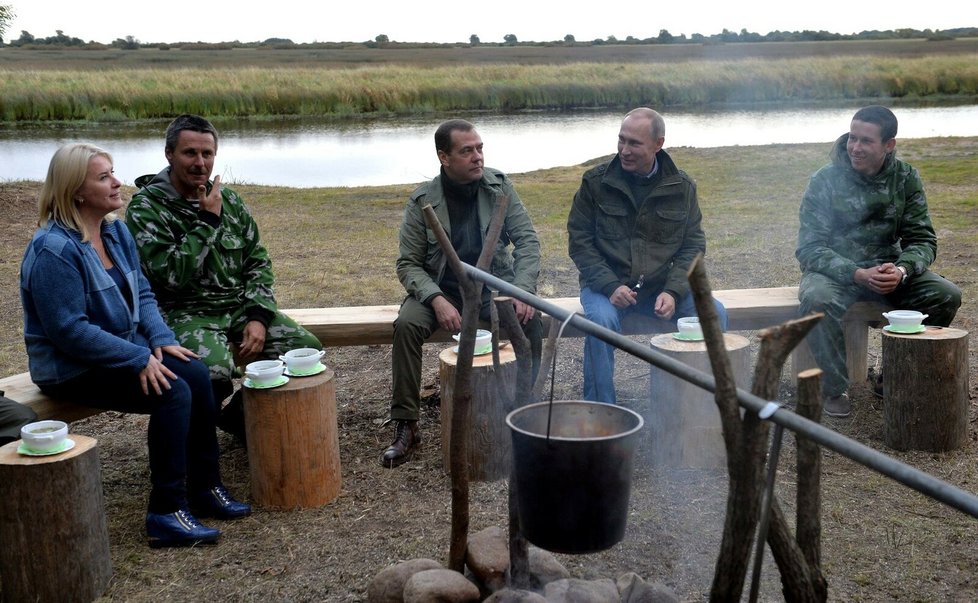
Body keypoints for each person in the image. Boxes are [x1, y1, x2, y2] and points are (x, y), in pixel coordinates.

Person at [20, 143, 250, 548]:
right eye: (104, 176)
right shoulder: (53, 250)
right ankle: (165, 510)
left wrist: (161, 340)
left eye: (113, 172)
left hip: (123, 352)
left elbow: (143, 293)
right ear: (76, 189)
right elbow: (69, 331)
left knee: (194, 372)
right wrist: (138, 356)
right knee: (172, 392)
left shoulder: (114, 229)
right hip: (71, 367)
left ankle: (204, 487)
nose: (117, 182)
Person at [126, 115, 321, 437]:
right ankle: (197, 446)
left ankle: (238, 419)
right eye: (190, 153)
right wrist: (206, 221)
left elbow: (257, 262)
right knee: (211, 372)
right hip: (185, 314)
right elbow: (169, 277)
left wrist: (258, 316)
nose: (200, 163)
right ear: (169, 154)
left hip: (239, 309)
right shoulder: (147, 208)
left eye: (207, 154)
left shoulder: (229, 201)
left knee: (305, 352)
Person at [384, 119, 543, 468]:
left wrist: (522, 290)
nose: (478, 157)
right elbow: (408, 264)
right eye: (466, 151)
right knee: (407, 325)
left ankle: (527, 415)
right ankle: (406, 426)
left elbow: (528, 242)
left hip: (493, 287)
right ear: (444, 157)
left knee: (531, 323)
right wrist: (435, 298)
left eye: (480, 148)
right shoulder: (423, 200)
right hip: (442, 290)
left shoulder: (499, 187)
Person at [796, 105, 961, 418]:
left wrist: (901, 270)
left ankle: (891, 374)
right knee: (816, 299)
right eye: (852, 138)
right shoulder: (825, 180)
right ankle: (834, 388)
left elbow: (923, 240)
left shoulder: (905, 178)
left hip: (887, 270)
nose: (855, 148)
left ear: (889, 145)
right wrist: (856, 273)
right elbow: (809, 247)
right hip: (835, 272)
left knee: (946, 295)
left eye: (866, 141)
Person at [567, 107, 728, 405]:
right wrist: (610, 286)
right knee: (599, 324)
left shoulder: (682, 187)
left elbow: (692, 245)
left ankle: (699, 405)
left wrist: (674, 291)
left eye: (634, 144)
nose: (624, 150)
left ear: (658, 144)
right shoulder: (595, 183)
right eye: (621, 140)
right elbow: (580, 243)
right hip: (606, 288)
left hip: (662, 288)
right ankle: (601, 412)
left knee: (715, 315)